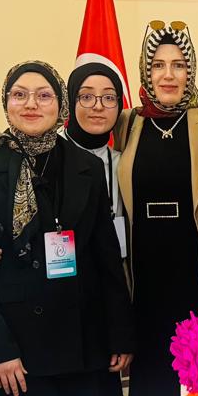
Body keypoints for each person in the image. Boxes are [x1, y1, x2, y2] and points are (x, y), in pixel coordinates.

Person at [0, 62, 134, 396]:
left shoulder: (86, 165)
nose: (31, 104)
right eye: (19, 95)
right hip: (17, 355)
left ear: (61, 104)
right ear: (6, 102)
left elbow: (106, 257)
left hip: (84, 346)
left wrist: (120, 334)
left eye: (43, 95)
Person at [116, 22, 198, 396]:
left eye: (178, 65)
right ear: (146, 70)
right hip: (146, 280)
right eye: (159, 65)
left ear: (190, 71)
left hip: (197, 277)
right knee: (153, 390)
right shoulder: (128, 123)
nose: (168, 75)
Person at [63, 61, 128, 259]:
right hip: (62, 271)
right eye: (86, 97)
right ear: (70, 100)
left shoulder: (122, 164)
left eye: (109, 98)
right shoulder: (50, 157)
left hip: (111, 269)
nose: (98, 106)